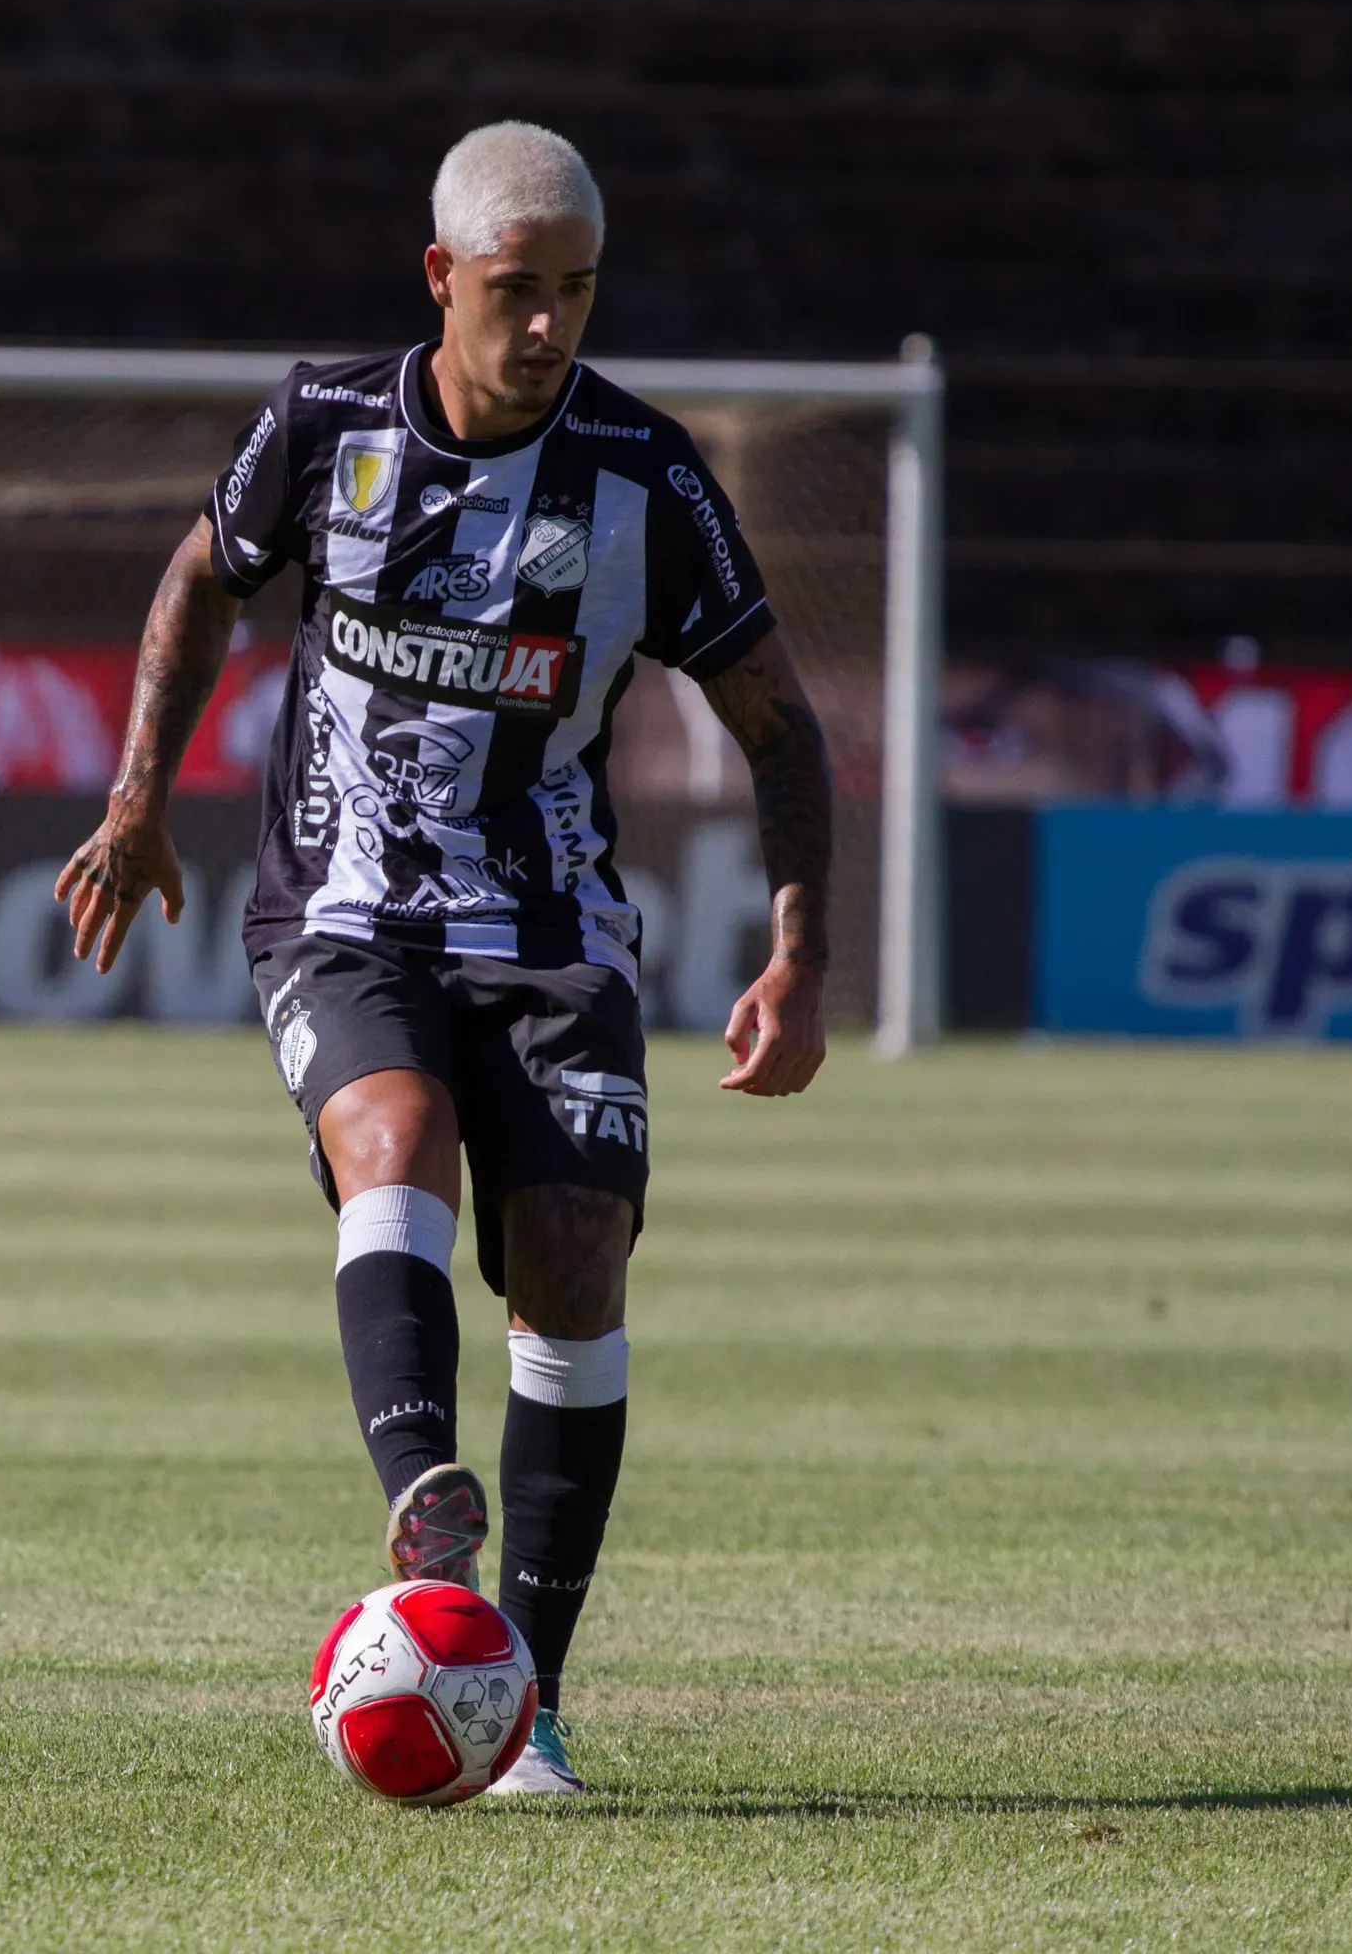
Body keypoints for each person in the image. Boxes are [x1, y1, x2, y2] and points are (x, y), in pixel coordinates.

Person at [56, 121, 832, 1797]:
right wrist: (137, 807)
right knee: (390, 1137)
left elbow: (777, 724)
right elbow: (201, 582)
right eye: (514, 294)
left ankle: (529, 1699)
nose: (550, 328)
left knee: (575, 1252)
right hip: (340, 913)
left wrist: (800, 950)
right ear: (441, 280)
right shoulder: (324, 422)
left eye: (576, 293)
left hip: (552, 936)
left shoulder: (651, 478)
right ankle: (428, 1511)